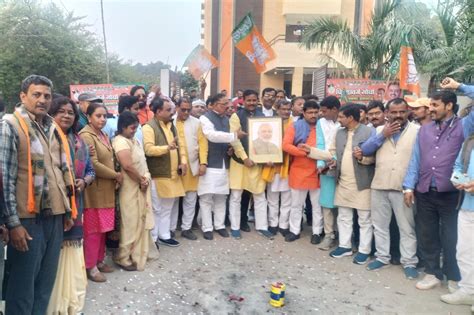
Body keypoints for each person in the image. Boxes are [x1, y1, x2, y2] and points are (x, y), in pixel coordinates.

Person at [0, 75, 74, 314]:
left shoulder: (52, 127)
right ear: (23, 96)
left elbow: (60, 173)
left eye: (47, 96)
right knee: (22, 287)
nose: (42, 100)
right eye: (36, 94)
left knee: (45, 284)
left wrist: (68, 209)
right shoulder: (10, 125)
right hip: (27, 220)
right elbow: (5, 180)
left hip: (55, 216)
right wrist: (13, 224)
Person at [403, 90, 474, 291]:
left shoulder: (464, 126)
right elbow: (415, 160)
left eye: (435, 105)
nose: (430, 109)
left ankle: (453, 276)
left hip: (451, 193)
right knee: (427, 235)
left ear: (449, 106)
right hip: (425, 190)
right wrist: (408, 187)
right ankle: (433, 273)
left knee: (451, 237)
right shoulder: (424, 130)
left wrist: (459, 85)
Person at [360, 98, 420, 279]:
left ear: (408, 111)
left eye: (402, 112)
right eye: (393, 112)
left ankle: (409, 262)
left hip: (404, 187)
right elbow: (366, 150)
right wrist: (383, 134)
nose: (398, 116)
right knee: (380, 225)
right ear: (387, 113)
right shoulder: (378, 130)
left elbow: (418, 161)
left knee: (406, 227)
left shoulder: (417, 131)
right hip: (380, 184)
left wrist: (410, 186)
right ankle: (382, 257)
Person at [309, 105, 375, 264]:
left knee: (364, 219)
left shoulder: (369, 132)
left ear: (350, 118)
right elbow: (330, 153)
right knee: (344, 216)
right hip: (343, 181)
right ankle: (345, 246)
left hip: (363, 183)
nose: (338, 120)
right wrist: (310, 151)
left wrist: (361, 158)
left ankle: (364, 250)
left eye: (341, 117)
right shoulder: (339, 133)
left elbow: (374, 157)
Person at [47, 96, 95, 314]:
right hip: (53, 207)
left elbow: (91, 171)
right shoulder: (46, 138)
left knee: (73, 253)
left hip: (77, 204)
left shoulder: (79, 141)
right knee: (52, 256)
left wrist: (83, 181)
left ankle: (71, 301)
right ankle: (54, 303)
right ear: (51, 113)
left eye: (70, 112)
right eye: (61, 111)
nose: (66, 115)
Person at [79, 102, 122, 282]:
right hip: (94, 192)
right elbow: (94, 164)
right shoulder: (86, 135)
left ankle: (99, 259)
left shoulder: (103, 134)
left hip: (106, 190)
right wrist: (116, 175)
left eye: (105, 116)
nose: (103, 119)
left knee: (103, 229)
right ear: (88, 117)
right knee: (93, 231)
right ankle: (90, 266)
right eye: (98, 115)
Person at [198, 93, 245, 240]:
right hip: (210, 162)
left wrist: (231, 146)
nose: (226, 107)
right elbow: (211, 135)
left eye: (227, 104)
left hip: (225, 162)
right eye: (223, 104)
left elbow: (227, 138)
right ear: (211, 104)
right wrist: (233, 137)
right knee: (206, 198)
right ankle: (207, 227)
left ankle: (219, 226)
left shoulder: (227, 119)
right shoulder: (204, 118)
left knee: (221, 197)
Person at [112, 111, 155, 271]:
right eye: (131, 128)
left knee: (139, 220)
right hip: (129, 188)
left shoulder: (134, 140)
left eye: (136, 128)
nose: (134, 131)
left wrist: (144, 180)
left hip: (139, 186)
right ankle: (123, 257)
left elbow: (141, 163)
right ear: (122, 127)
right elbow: (128, 166)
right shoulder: (121, 141)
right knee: (129, 222)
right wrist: (141, 180)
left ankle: (135, 253)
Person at [229, 89, 274, 239]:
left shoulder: (262, 116)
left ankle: (262, 227)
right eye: (249, 100)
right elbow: (234, 140)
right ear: (243, 100)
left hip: (257, 163)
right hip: (239, 163)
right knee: (236, 195)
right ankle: (235, 227)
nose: (252, 103)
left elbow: (268, 138)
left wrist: (269, 156)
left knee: (260, 195)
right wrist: (244, 158)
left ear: (258, 100)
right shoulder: (236, 116)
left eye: (254, 100)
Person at [143, 97, 186, 247]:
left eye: (171, 109)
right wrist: (167, 148)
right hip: (158, 175)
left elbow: (180, 146)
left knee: (168, 207)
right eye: (168, 110)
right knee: (156, 208)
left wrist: (183, 162)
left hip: (173, 174)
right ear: (158, 111)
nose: (172, 113)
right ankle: (153, 238)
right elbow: (148, 150)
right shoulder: (148, 127)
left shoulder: (171, 126)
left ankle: (164, 235)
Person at [441, 130, 474, 306]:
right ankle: (468, 291)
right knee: (464, 251)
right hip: (468, 205)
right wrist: (457, 179)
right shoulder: (470, 141)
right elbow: (458, 166)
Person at [283, 101, 323, 243]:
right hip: (299, 170)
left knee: (317, 205)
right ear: (303, 113)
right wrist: (305, 153)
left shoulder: (323, 126)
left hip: (318, 170)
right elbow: (286, 145)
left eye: (315, 112)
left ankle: (317, 232)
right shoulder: (295, 126)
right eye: (310, 112)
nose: (313, 115)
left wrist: (312, 152)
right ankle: (294, 231)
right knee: (296, 205)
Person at [173, 98, 208, 241]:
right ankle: (170, 228)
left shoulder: (196, 123)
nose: (186, 112)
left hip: (192, 165)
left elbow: (203, 143)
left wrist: (203, 163)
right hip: (175, 167)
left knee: (191, 198)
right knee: (174, 199)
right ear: (176, 108)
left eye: (188, 109)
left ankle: (186, 228)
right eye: (183, 109)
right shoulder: (170, 121)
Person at [262, 100, 292, 236]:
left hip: (289, 166)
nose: (286, 112)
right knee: (272, 198)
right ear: (277, 109)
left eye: (288, 109)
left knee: (287, 198)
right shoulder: (269, 124)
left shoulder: (295, 124)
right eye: (283, 109)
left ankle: (284, 225)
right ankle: (272, 224)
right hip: (272, 166)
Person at [315, 96, 341, 250]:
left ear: (335, 110)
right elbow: (320, 143)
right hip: (326, 167)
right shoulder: (321, 123)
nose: (322, 114)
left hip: (343, 167)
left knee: (342, 204)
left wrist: (336, 159)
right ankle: (328, 234)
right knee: (327, 203)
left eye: (325, 111)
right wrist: (320, 163)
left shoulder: (345, 121)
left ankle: (344, 236)